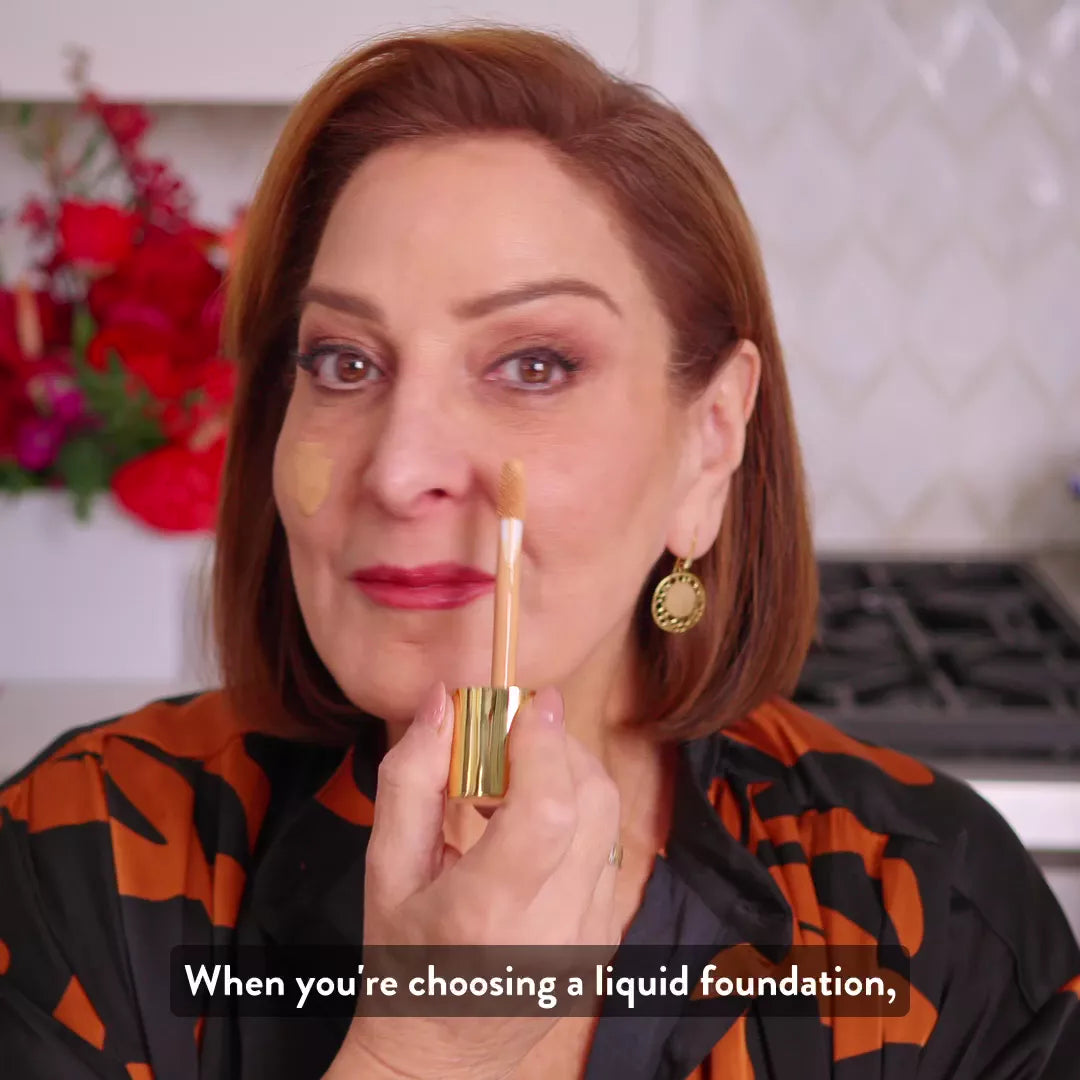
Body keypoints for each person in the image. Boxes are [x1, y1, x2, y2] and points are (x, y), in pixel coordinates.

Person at [1, 24, 1077, 1080]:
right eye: (342, 360)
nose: (398, 466)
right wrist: (424, 1051)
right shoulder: (77, 865)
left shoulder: (931, 915)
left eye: (533, 366)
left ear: (711, 443)